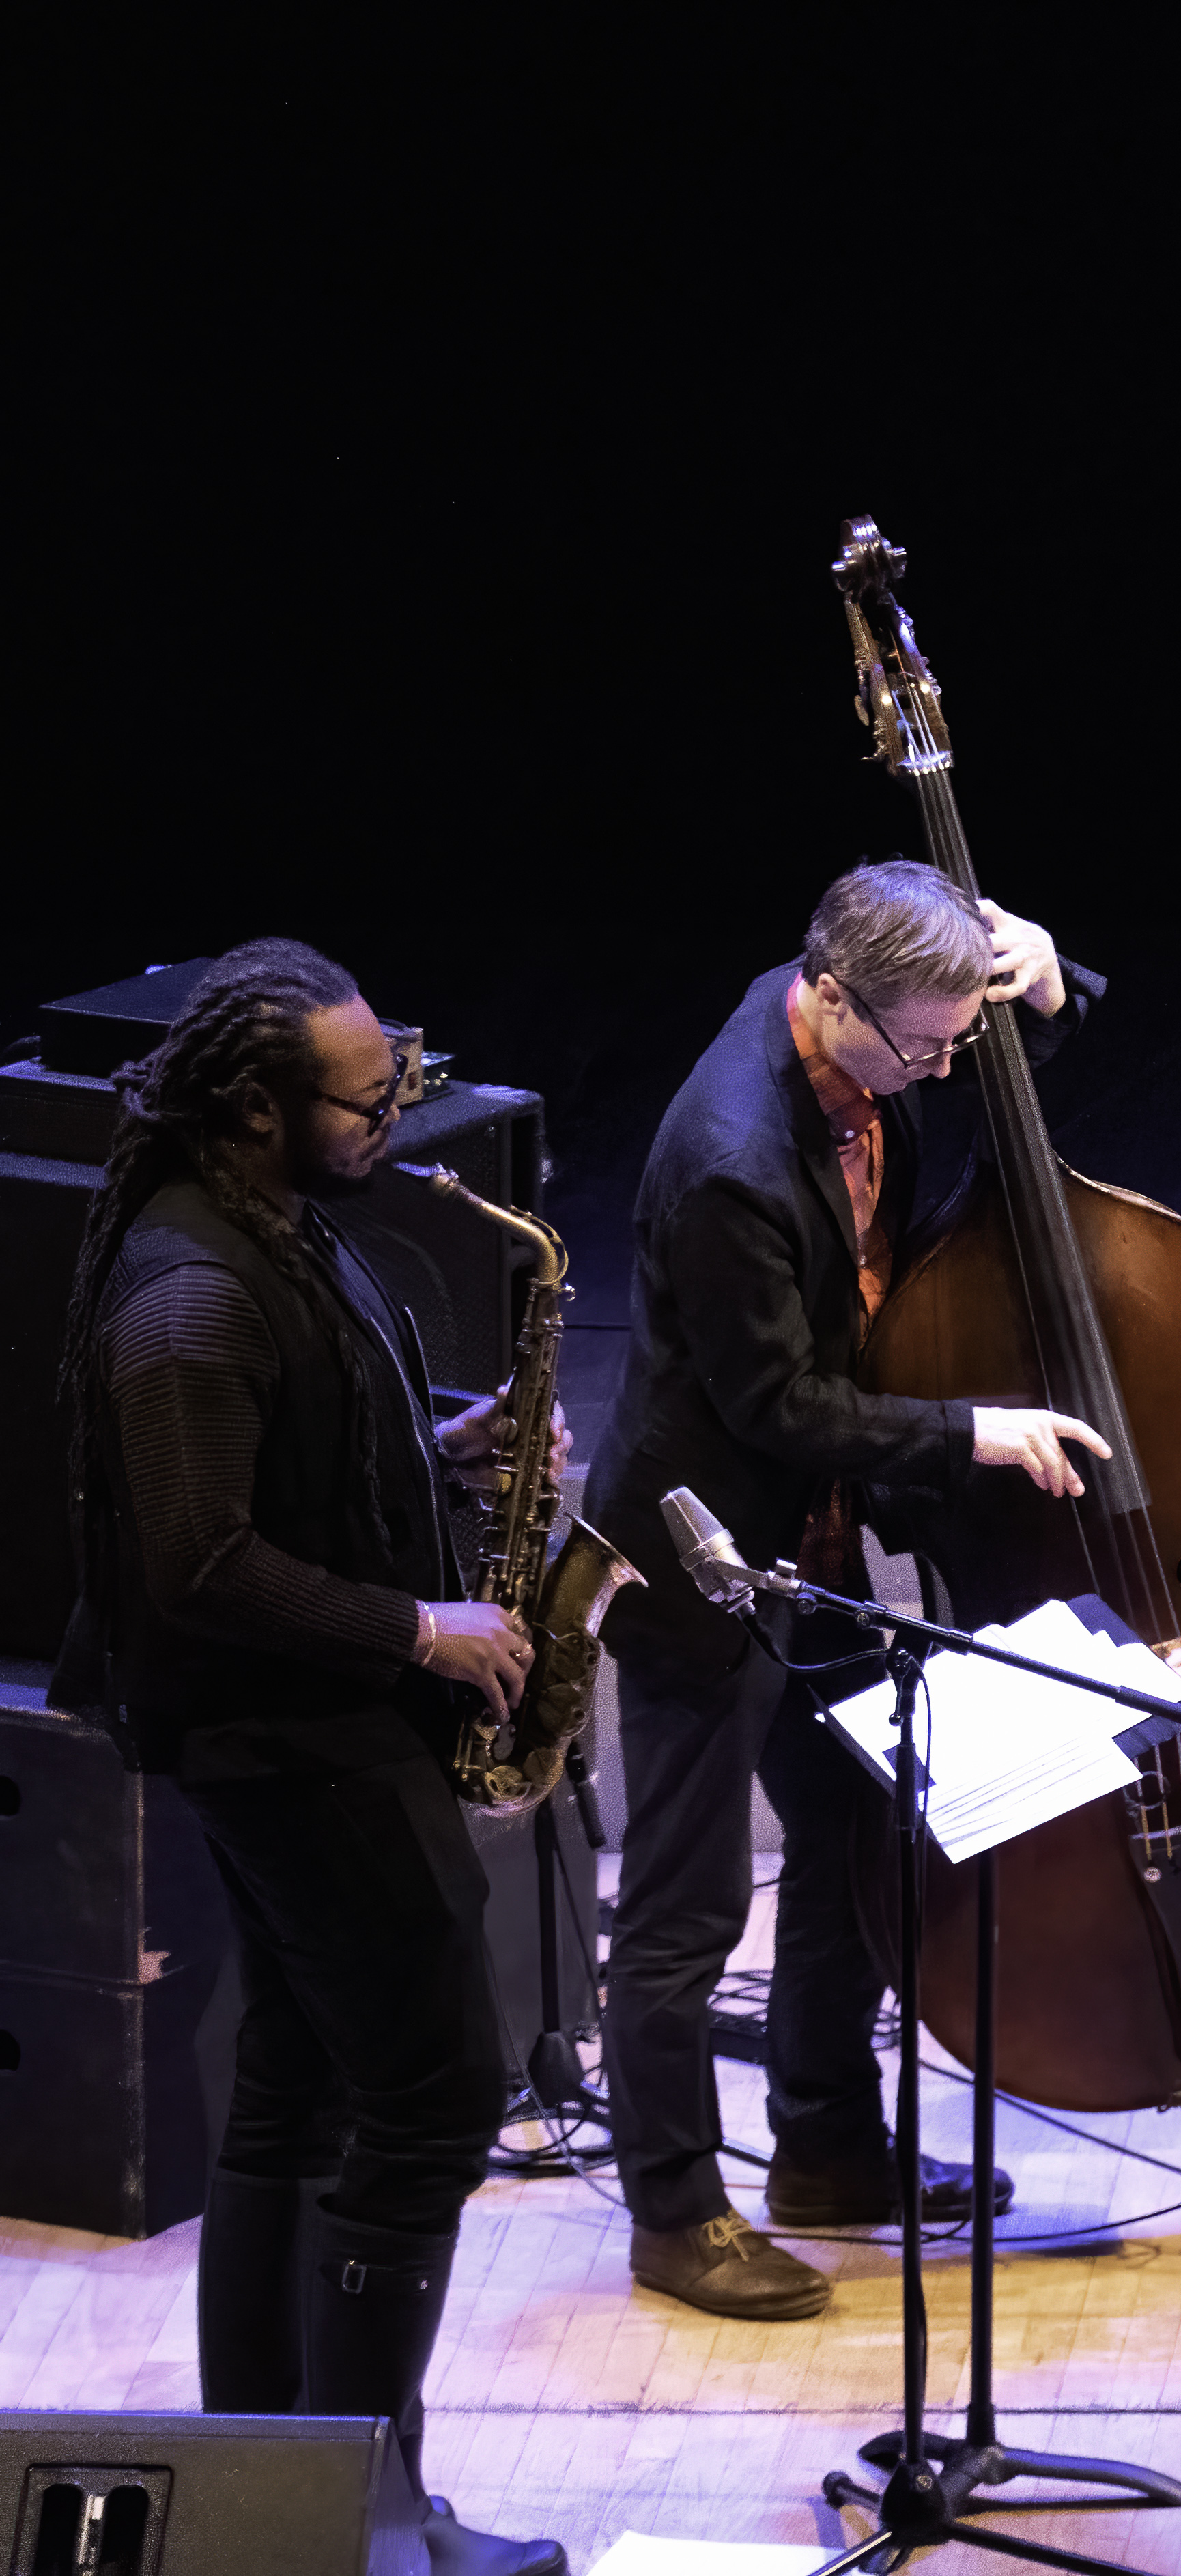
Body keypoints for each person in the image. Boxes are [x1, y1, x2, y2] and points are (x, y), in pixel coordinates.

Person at [53, 939, 568, 2575]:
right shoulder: (191, 1291)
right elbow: (199, 1559)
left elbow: (287, 1473)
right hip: (296, 1746)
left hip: (312, 1731)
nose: (398, 1120)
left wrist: (446, 1444)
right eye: (368, 1099)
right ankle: (361, 2513)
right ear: (261, 1109)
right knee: (431, 2097)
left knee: (295, 2092)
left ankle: (268, 2504)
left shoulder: (279, 1226)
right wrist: (422, 1631)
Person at [583, 861, 1108, 2319]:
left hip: (803, 1544)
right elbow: (780, 1409)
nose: (947, 1067)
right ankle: (675, 2217)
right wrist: (973, 1434)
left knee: (858, 1831)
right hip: (703, 1557)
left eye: (956, 1041)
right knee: (683, 1915)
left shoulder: (870, 1034)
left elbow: (987, 1055)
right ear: (832, 997)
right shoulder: (734, 1160)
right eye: (930, 1048)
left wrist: (1052, 992)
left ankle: (824, 2150)